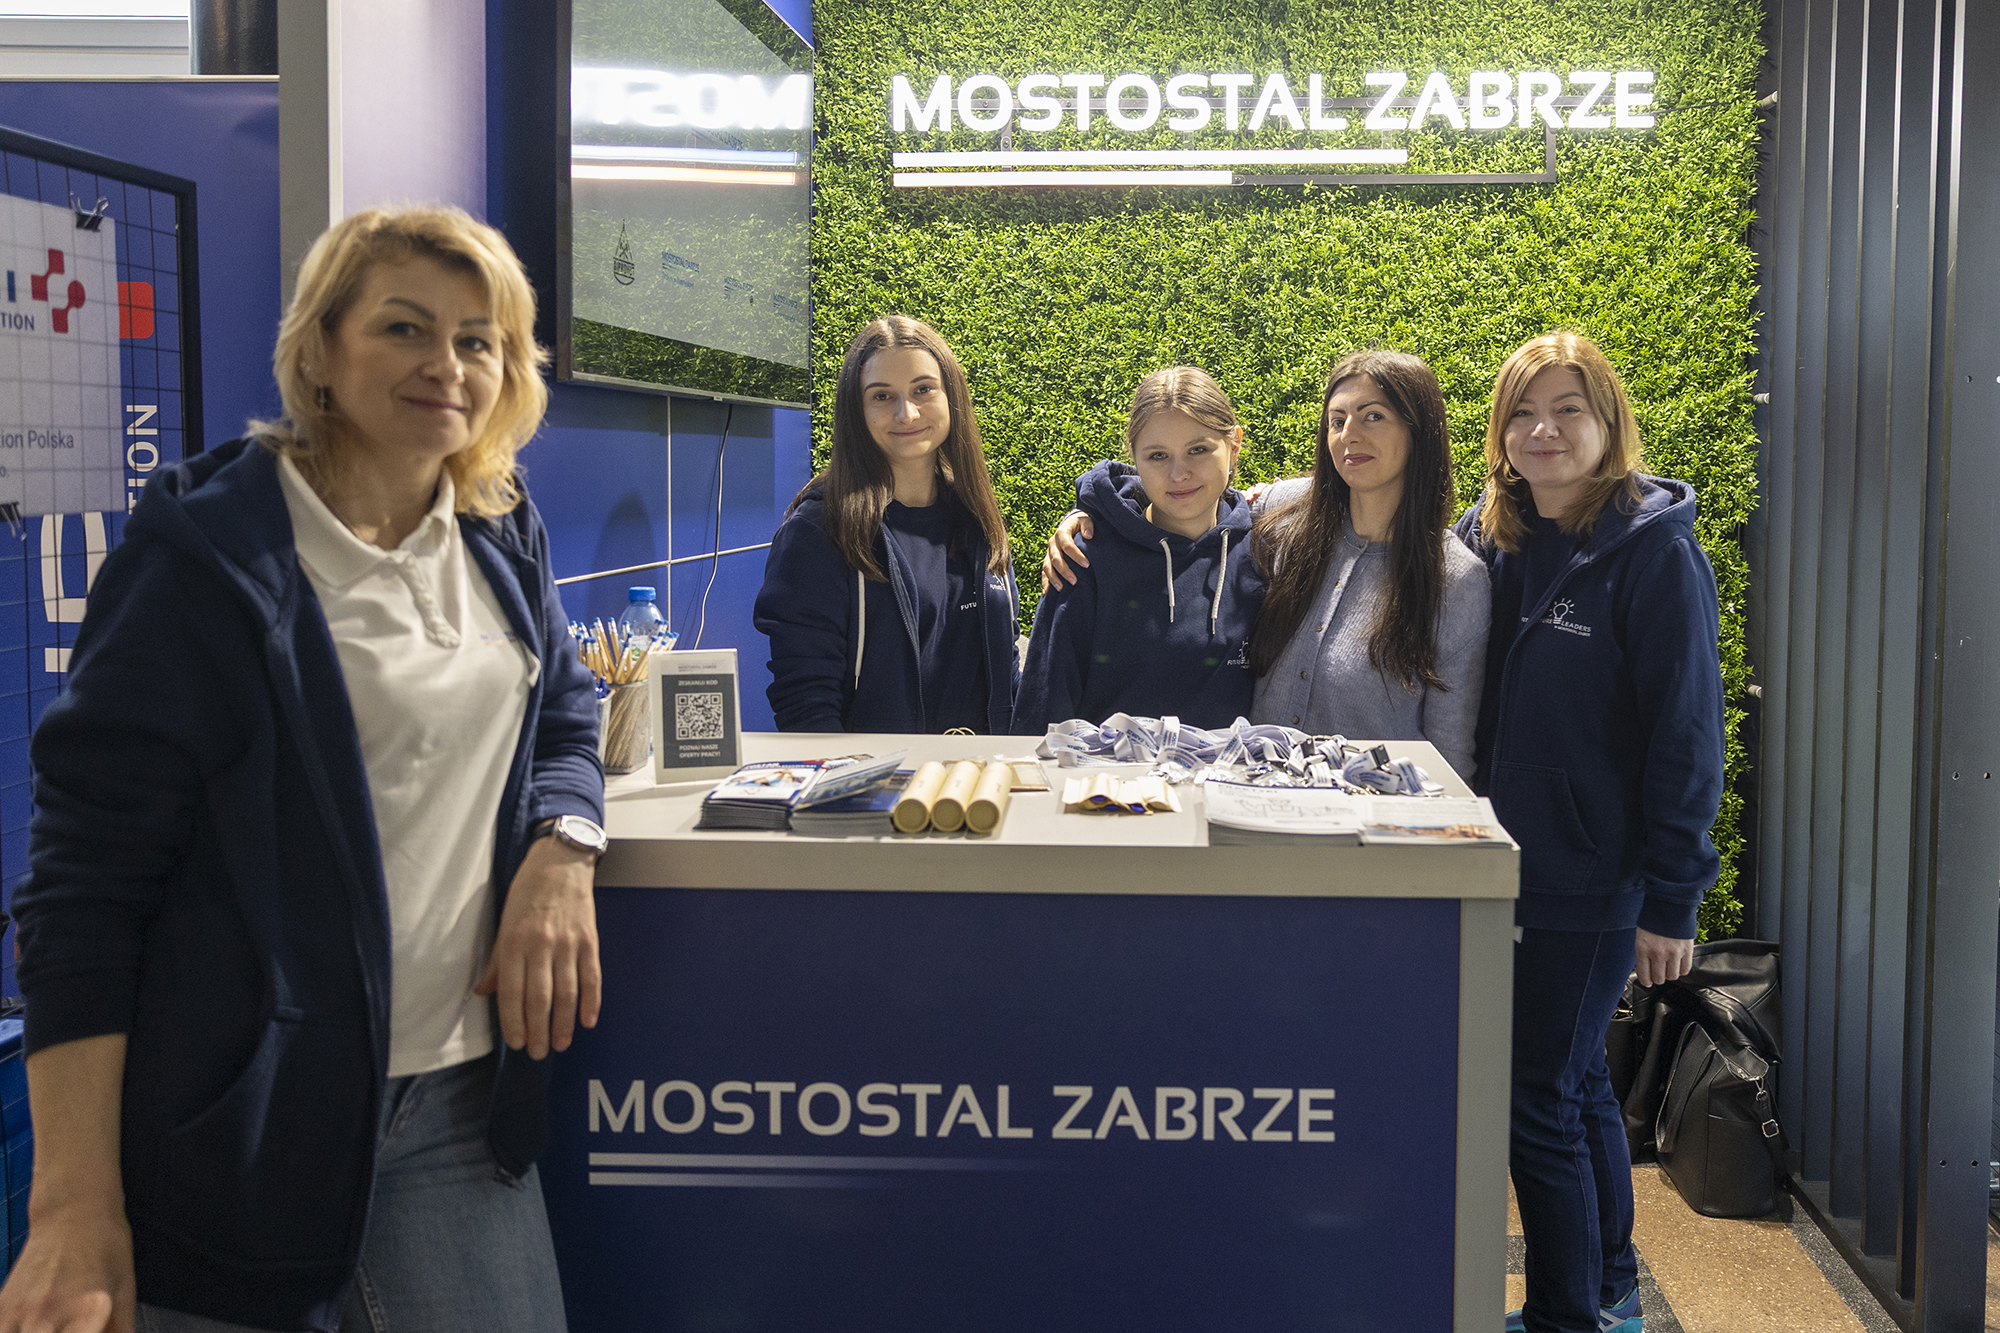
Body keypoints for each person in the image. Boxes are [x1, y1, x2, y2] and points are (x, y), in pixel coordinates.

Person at [4, 206, 605, 1333]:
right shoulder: (206, 558)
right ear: (320, 350)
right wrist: (72, 1205)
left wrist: (562, 848)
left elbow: (566, 713)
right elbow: (85, 892)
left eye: (478, 340)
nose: (447, 365)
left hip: (457, 1106)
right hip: (246, 1126)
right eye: (404, 327)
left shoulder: (495, 521)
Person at [1453, 332, 1723, 1333]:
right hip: (1501, 863)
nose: (1543, 430)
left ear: (1608, 422)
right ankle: (1611, 1289)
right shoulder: (1495, 534)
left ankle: (1564, 1315)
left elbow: (1686, 735)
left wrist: (1670, 898)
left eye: (1567, 408)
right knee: (1575, 1086)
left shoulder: (1654, 553)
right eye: (1523, 412)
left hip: (1587, 873)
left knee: (1536, 1098)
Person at [1041, 350, 1489, 777]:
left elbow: (1450, 754)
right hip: (1253, 801)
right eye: (1337, 420)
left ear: (1420, 428)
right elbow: (1187, 498)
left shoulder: (1456, 579)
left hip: (1370, 818)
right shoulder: (1288, 515)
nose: (1350, 433)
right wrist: (1095, 515)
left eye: (1373, 416)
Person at [754, 315, 1019, 734]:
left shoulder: (977, 515)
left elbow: (1006, 665)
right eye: (882, 396)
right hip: (881, 774)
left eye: (923, 389)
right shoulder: (819, 530)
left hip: (981, 770)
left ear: (951, 397)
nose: (906, 412)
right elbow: (806, 707)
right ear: (856, 410)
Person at [1013, 366, 1265, 735]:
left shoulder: (1264, 555)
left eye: (1198, 449)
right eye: (1158, 456)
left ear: (1234, 446)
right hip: (1108, 773)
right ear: (1134, 456)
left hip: (1230, 772)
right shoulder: (1085, 559)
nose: (1178, 474)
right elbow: (1042, 712)